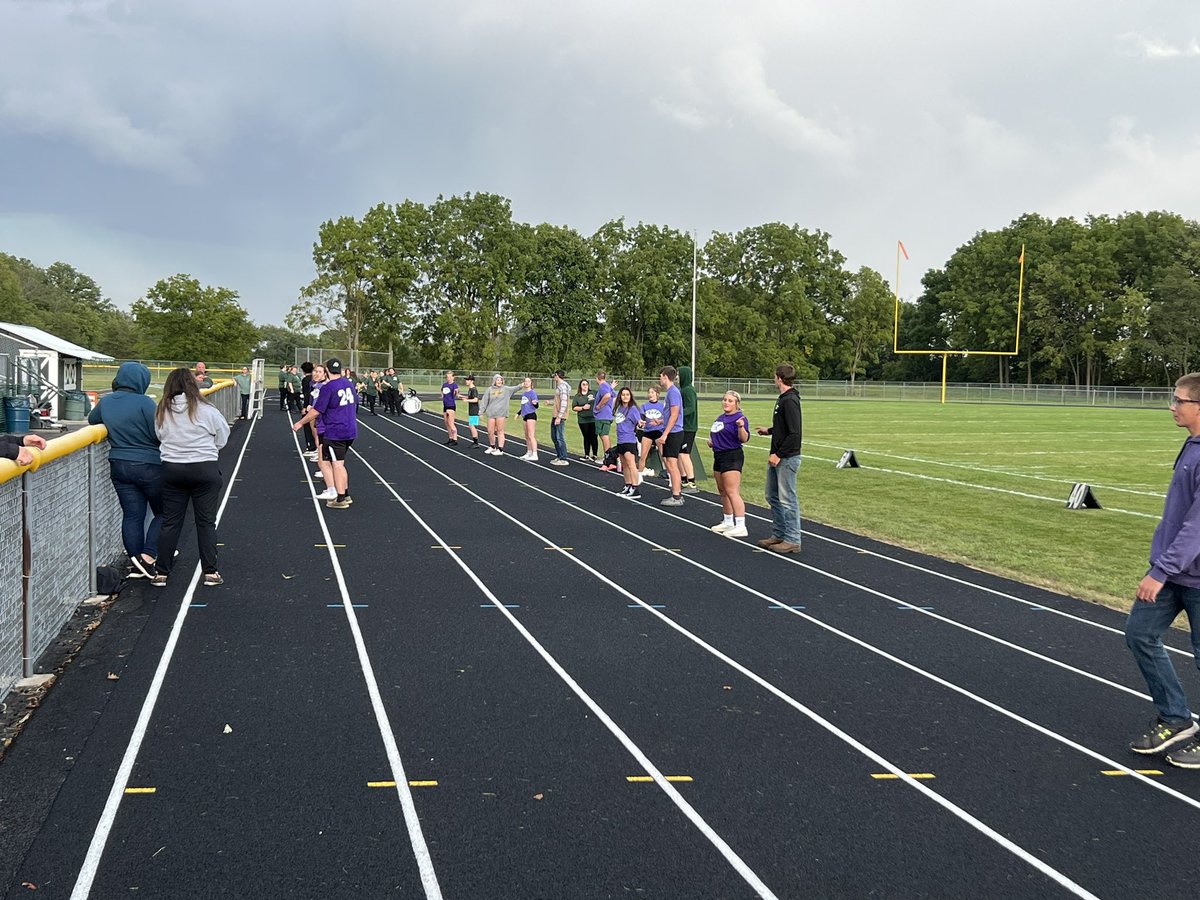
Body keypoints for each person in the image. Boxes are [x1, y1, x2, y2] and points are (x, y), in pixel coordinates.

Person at [1125, 373, 1200, 766]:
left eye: (1179, 400)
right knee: (1140, 635)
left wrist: (1160, 570)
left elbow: (1197, 526)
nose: (1172, 406)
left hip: (1188, 576)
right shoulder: (1190, 445)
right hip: (1172, 571)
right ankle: (1176, 717)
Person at [149, 368, 230, 588]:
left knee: (171, 522)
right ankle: (210, 572)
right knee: (205, 522)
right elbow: (223, 436)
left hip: (172, 469)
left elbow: (159, 435)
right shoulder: (207, 409)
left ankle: (161, 573)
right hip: (204, 469)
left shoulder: (162, 410)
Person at [87, 361, 162, 578]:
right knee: (166, 512)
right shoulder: (145, 403)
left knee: (132, 514)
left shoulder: (107, 401)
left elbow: (93, 420)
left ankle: (134, 559)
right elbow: (158, 433)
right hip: (149, 465)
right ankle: (148, 555)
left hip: (118, 463)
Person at [755, 364, 803, 553]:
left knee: (787, 498)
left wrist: (779, 454)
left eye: (774, 376)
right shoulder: (783, 399)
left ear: (779, 378)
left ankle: (793, 539)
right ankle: (779, 534)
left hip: (786, 458)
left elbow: (794, 433)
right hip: (778, 455)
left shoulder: (790, 400)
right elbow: (784, 428)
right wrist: (770, 431)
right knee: (772, 496)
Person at [301, 358, 357, 508]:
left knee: (337, 465)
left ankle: (340, 499)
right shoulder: (349, 384)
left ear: (326, 371)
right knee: (340, 463)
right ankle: (345, 494)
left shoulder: (328, 387)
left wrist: (300, 423)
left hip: (335, 430)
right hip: (349, 429)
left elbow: (317, 410)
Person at [708, 391, 751, 538]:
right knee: (722, 491)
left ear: (737, 403)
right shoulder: (721, 417)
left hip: (732, 455)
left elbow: (744, 439)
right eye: (725, 399)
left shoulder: (740, 418)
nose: (726, 402)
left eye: (730, 401)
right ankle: (728, 521)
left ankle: (740, 525)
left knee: (732, 491)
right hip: (718, 455)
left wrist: (741, 427)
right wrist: (713, 443)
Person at [658, 366, 686, 506]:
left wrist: (665, 434)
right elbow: (670, 415)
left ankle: (676, 496)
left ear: (665, 376)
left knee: (672, 464)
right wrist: (661, 421)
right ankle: (676, 493)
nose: (659, 379)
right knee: (670, 463)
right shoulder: (670, 392)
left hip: (674, 432)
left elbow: (675, 414)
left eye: (660, 376)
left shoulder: (673, 393)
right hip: (672, 430)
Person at [478, 374, 523, 455]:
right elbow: (484, 401)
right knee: (490, 431)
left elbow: (515, 388)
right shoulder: (489, 390)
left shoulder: (506, 389)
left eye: (500, 380)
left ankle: (500, 449)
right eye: (497, 380)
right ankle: (492, 446)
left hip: (501, 413)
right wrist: (481, 412)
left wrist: (522, 384)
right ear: (494, 381)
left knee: (500, 430)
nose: (499, 381)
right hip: (491, 413)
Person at [612, 387, 644, 498]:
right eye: (623, 394)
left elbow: (639, 421)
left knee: (631, 465)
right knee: (624, 465)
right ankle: (628, 485)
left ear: (630, 396)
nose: (625, 396)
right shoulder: (619, 408)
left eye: (627, 394)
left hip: (629, 440)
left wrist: (640, 423)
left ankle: (635, 488)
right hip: (620, 440)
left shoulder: (633, 409)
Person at [678, 365, 699, 492]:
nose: (677, 378)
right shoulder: (683, 390)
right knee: (680, 453)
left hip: (689, 426)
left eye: (680, 375)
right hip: (683, 426)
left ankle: (692, 482)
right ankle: (684, 479)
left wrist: (677, 414)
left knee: (685, 454)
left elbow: (690, 408)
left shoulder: (688, 390)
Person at [638, 386, 666, 480]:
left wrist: (659, 421)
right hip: (648, 432)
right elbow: (641, 419)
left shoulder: (662, 406)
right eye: (649, 392)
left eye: (652, 392)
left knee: (664, 455)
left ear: (657, 394)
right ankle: (639, 475)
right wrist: (641, 423)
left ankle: (669, 474)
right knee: (643, 455)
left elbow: (666, 418)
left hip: (659, 432)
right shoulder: (644, 406)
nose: (650, 394)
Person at [572, 379, 597, 461]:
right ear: (580, 386)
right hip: (583, 420)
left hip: (593, 419)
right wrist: (582, 408)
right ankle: (586, 454)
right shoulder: (577, 396)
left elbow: (602, 397)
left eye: (586, 384)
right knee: (586, 437)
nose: (585, 386)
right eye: (583, 384)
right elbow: (574, 407)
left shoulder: (593, 393)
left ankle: (595, 455)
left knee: (593, 436)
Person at [593, 371, 615, 464]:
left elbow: (608, 395)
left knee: (603, 435)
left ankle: (607, 458)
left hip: (603, 415)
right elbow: (614, 396)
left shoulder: (603, 386)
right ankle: (609, 455)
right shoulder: (608, 387)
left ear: (597, 378)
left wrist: (599, 405)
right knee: (605, 435)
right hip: (606, 415)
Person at [550, 369, 570, 466]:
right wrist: (550, 402)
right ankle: (559, 456)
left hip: (559, 416)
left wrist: (559, 416)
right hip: (556, 415)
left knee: (559, 436)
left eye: (554, 375)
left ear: (557, 375)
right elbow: (558, 401)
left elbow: (564, 402)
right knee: (554, 436)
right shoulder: (560, 387)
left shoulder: (562, 386)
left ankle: (563, 457)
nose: (553, 376)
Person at [519, 377, 540, 461]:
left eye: (528, 381)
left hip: (531, 415)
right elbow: (524, 405)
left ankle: (535, 454)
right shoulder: (524, 394)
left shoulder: (532, 393)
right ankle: (529, 452)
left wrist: (535, 404)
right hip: (525, 415)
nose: (526, 383)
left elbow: (536, 405)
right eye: (525, 381)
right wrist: (518, 413)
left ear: (531, 383)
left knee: (531, 435)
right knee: (527, 436)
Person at [441, 371, 460, 445]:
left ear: (453, 377)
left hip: (451, 405)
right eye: (447, 377)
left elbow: (457, 392)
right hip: (445, 405)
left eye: (450, 377)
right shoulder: (444, 384)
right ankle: (450, 438)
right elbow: (442, 391)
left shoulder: (454, 385)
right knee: (446, 422)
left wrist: (457, 393)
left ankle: (455, 439)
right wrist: (443, 396)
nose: (448, 378)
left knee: (451, 422)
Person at [463, 374, 481, 447]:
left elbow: (476, 399)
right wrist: (462, 396)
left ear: (472, 381)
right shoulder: (470, 389)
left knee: (472, 425)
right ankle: (475, 441)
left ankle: (476, 442)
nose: (466, 381)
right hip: (471, 409)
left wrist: (467, 400)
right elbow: (470, 397)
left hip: (474, 409)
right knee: (471, 425)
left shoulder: (473, 389)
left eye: (468, 380)